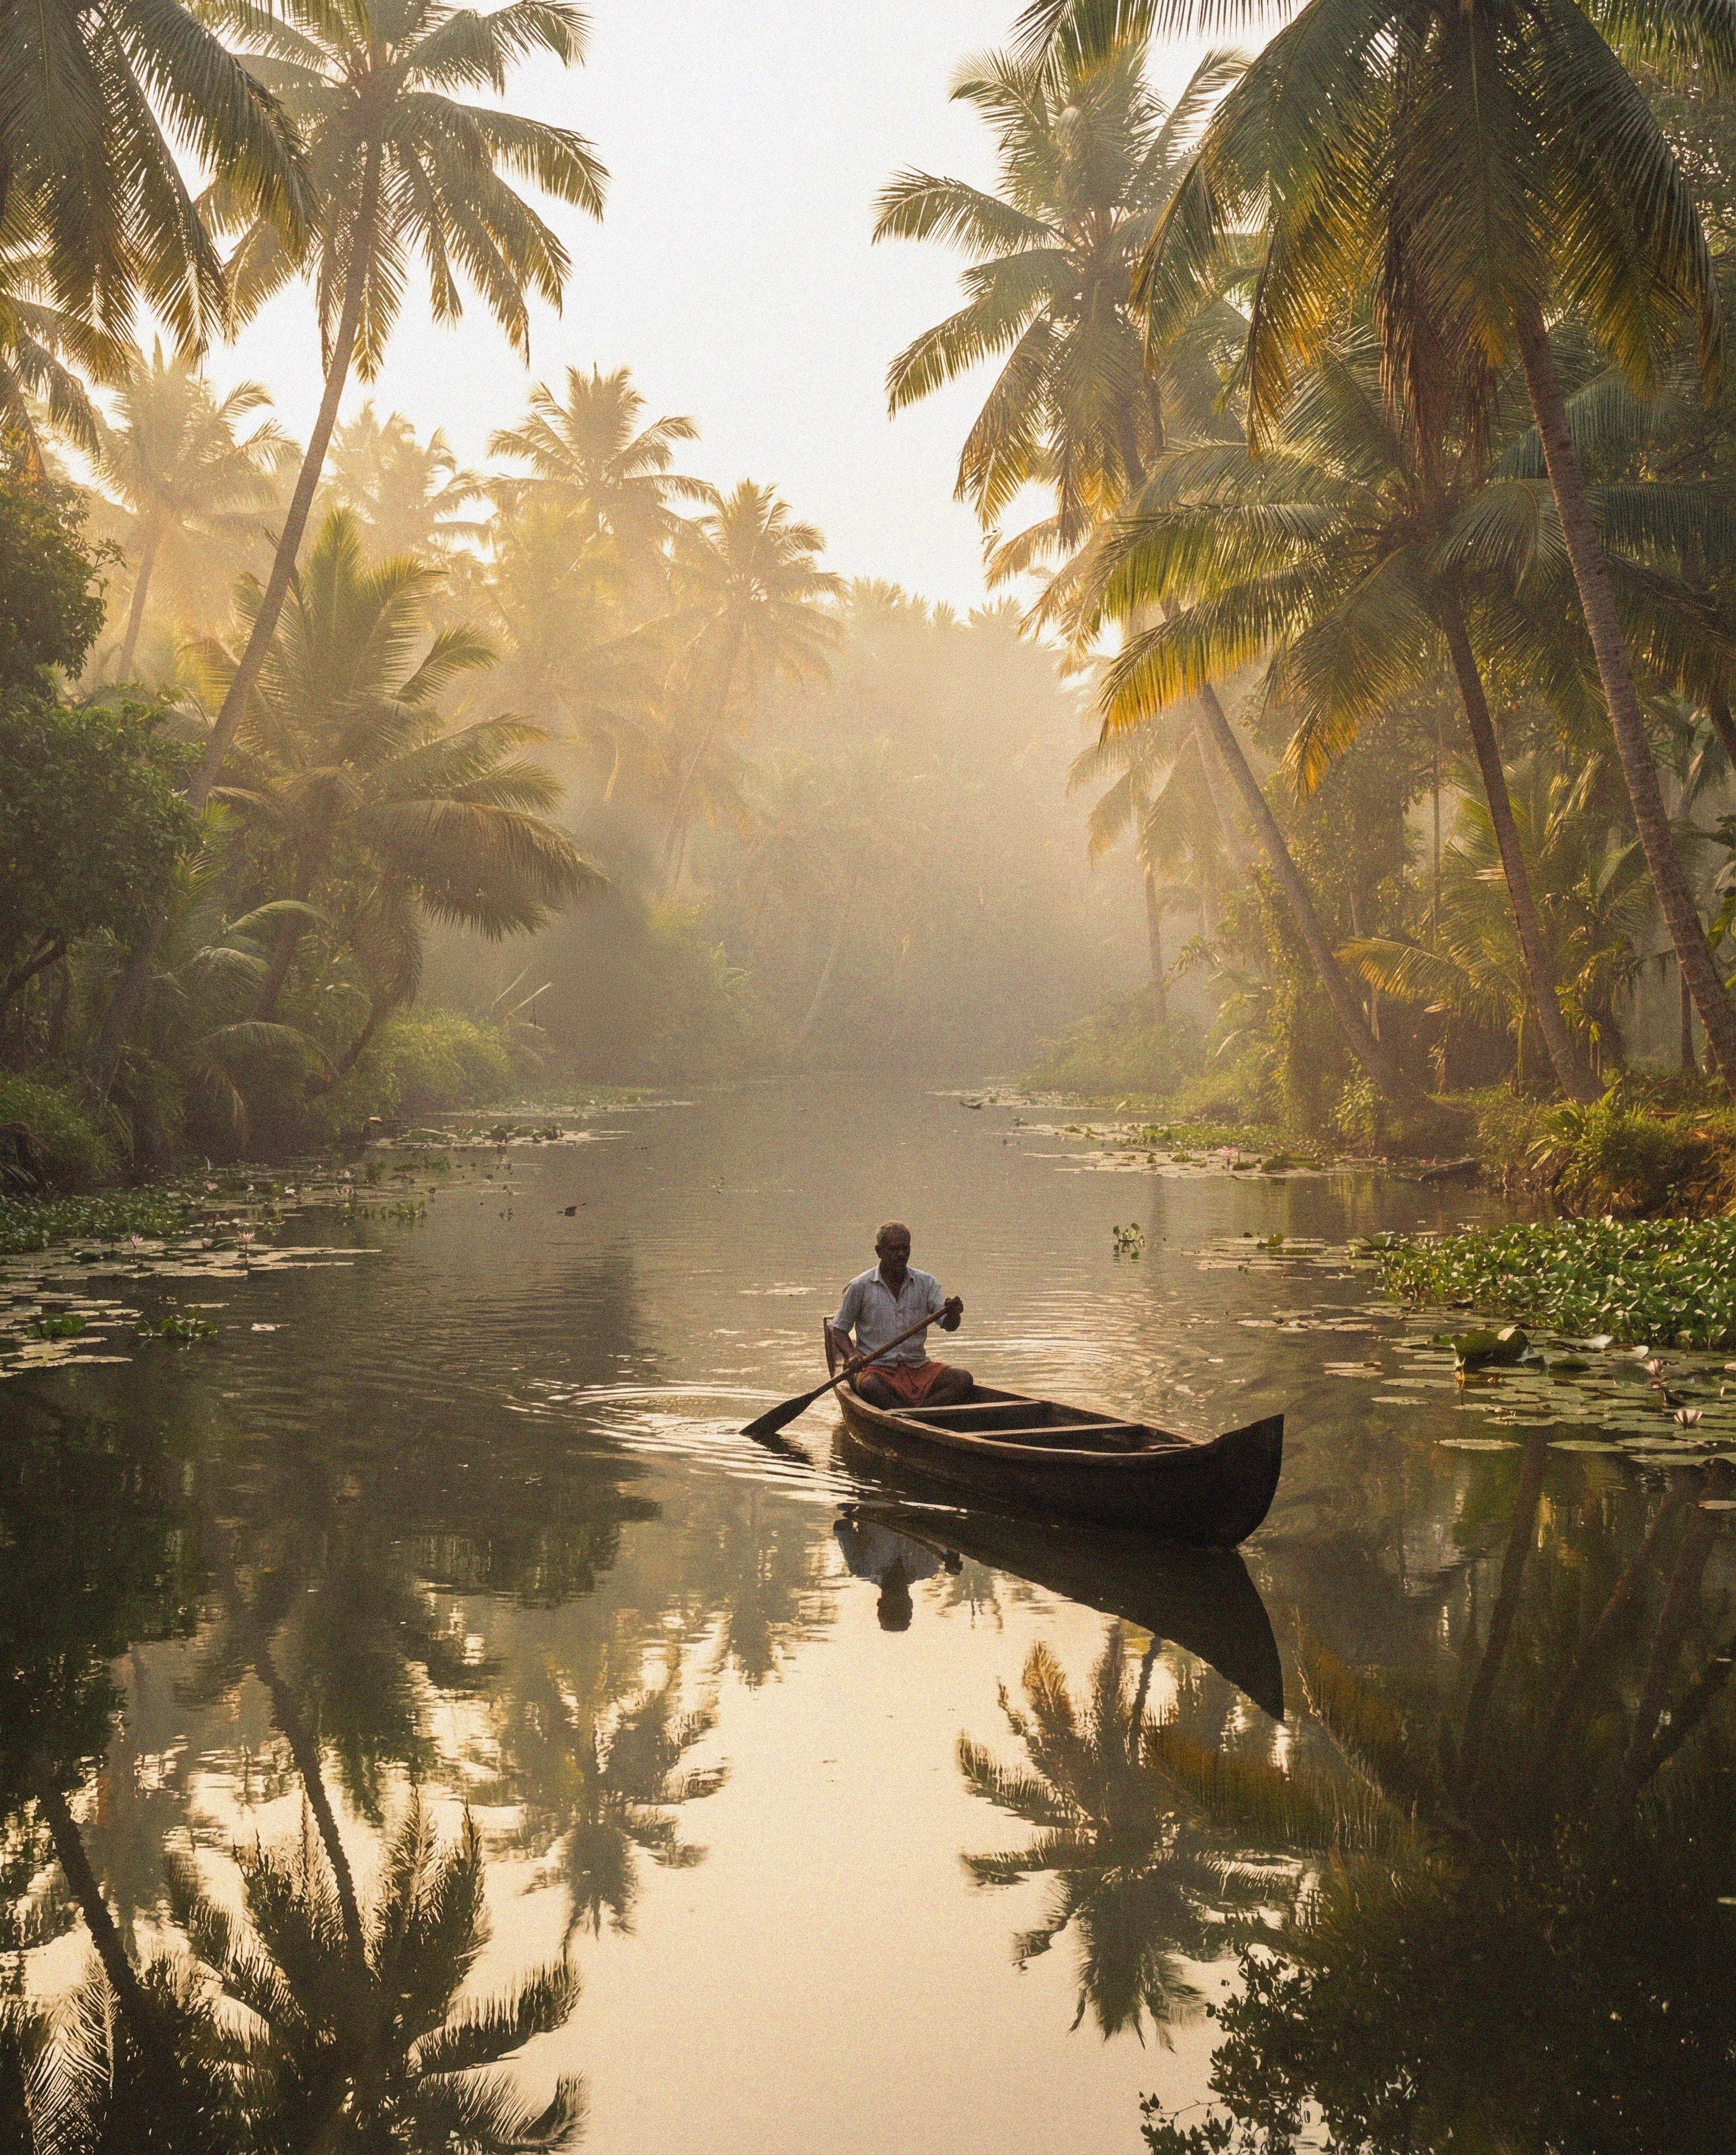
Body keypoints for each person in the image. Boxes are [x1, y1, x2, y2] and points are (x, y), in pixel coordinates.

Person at [827, 1221, 971, 1410]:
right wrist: (852, 1355)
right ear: (879, 1251)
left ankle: (910, 1415)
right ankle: (917, 1415)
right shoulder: (860, 1286)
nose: (901, 1255)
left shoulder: (926, 1283)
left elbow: (950, 1325)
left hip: (917, 1367)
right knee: (871, 1387)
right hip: (877, 1368)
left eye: (906, 1249)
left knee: (963, 1380)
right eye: (894, 1249)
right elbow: (838, 1330)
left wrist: (954, 1314)